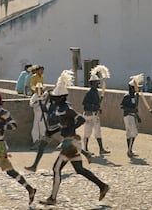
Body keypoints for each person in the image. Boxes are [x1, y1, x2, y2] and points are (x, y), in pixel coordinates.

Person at [40, 70, 109, 206]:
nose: (54, 99)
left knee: (56, 169)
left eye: (56, 97)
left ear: (61, 97)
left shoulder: (67, 108)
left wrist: (70, 130)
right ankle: (102, 186)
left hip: (69, 143)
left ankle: (53, 198)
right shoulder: (60, 109)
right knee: (79, 169)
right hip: (71, 142)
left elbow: (81, 119)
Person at [0, 91, 36, 207]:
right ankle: (30, 189)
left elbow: (13, 125)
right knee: (11, 172)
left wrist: (0, 126)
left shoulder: (3, 113)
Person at [82, 65, 110, 156]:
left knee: (97, 132)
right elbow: (84, 104)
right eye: (96, 82)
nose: (97, 83)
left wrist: (98, 108)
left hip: (95, 114)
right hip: (89, 115)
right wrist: (94, 106)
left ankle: (101, 149)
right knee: (87, 132)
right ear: (92, 83)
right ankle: (85, 149)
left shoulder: (95, 92)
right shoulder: (90, 92)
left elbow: (96, 104)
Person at [120, 73, 143, 158]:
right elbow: (123, 107)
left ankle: (130, 150)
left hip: (133, 116)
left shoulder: (134, 96)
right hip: (128, 116)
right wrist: (132, 110)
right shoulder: (127, 96)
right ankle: (129, 150)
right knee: (133, 133)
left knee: (130, 134)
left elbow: (135, 108)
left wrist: (137, 116)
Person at [29, 82, 46, 150]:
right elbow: (31, 104)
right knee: (35, 129)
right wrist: (36, 102)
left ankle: (42, 143)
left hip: (43, 115)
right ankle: (36, 142)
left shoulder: (45, 96)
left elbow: (47, 104)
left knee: (43, 129)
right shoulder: (34, 96)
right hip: (36, 114)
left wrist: (42, 102)